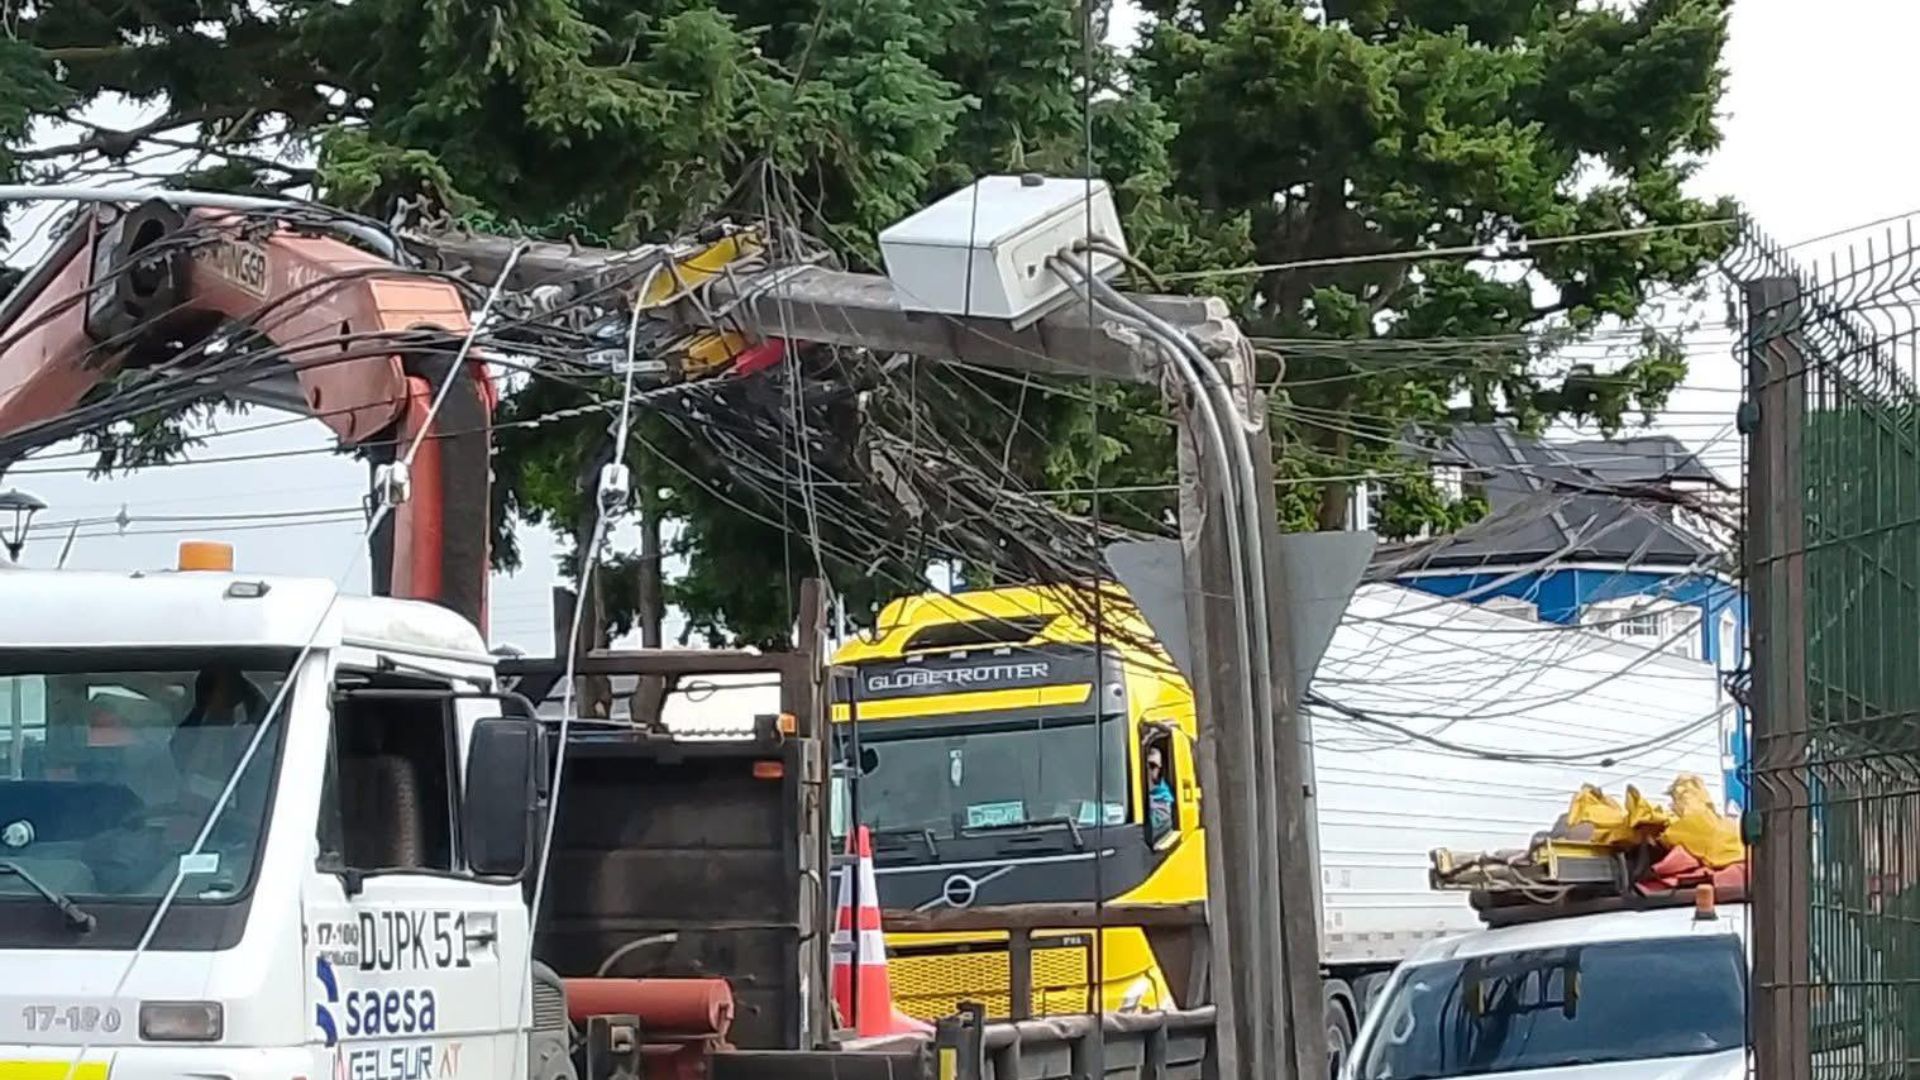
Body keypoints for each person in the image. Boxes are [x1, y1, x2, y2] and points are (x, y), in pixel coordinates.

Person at [1146, 745, 1174, 840]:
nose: (1148, 769)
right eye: (1146, 765)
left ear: (1159, 769)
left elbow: (1152, 828)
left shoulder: (1164, 797)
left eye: (1152, 766)